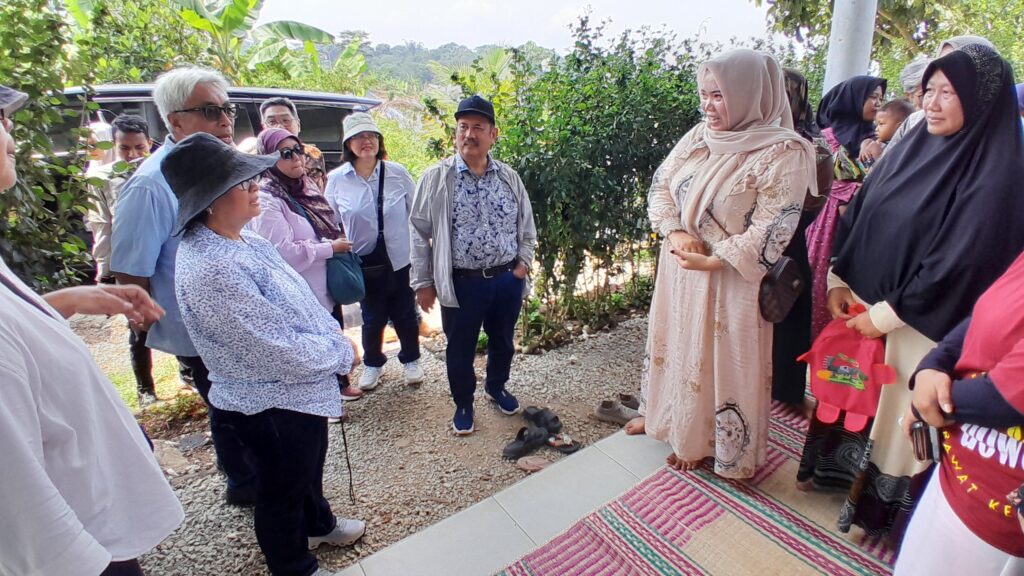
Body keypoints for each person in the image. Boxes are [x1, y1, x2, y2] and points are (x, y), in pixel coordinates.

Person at [797, 43, 1024, 543]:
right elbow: (865, 208)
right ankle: (836, 477)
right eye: (929, 90)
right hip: (862, 305)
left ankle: (880, 515)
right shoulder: (915, 141)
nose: (931, 103)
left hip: (919, 325)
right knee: (854, 390)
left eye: (949, 93)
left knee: (896, 417)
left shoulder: (996, 175)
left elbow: (960, 262)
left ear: (981, 100)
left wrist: (884, 316)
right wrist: (838, 278)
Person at [0, 84, 183, 576]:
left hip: (92, 524)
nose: (9, 127)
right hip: (74, 549)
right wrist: (85, 562)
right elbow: (13, 486)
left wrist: (62, 303)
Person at [166, 132, 365, 576]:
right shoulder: (212, 267)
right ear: (211, 200)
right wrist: (337, 353)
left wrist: (333, 341)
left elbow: (298, 301)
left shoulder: (244, 240)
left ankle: (318, 524)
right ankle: (293, 565)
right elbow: (271, 348)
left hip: (297, 389)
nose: (255, 186)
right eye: (242, 182)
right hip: (269, 400)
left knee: (306, 469)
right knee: (282, 489)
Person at [632, 49, 816, 475]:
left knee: (722, 358)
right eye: (704, 95)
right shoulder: (700, 137)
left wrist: (715, 262)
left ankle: (711, 444)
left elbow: (775, 227)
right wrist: (676, 232)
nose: (708, 106)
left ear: (751, 94)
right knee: (675, 344)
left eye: (719, 96)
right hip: (681, 265)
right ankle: (670, 421)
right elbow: (661, 186)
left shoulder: (784, 151)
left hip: (731, 279)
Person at [110, 65, 257, 505]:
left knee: (248, 404)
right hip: (199, 327)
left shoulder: (221, 166)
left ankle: (256, 476)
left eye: (227, 109)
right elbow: (130, 270)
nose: (225, 120)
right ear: (175, 121)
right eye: (211, 111)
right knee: (230, 406)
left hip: (239, 315)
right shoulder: (151, 184)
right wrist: (145, 322)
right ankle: (247, 487)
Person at [410, 95, 537, 435]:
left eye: (478, 127)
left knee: (503, 342)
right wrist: (423, 282)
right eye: (463, 127)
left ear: (493, 134)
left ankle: (496, 387)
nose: (469, 134)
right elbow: (418, 231)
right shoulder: (436, 178)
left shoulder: (509, 177)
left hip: (506, 279)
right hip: (462, 282)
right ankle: (464, 403)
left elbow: (527, 224)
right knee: (460, 348)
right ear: (455, 134)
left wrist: (522, 265)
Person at [893, 249, 1024, 575]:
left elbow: (1006, 397)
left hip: (1001, 519)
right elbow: (987, 312)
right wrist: (934, 364)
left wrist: (929, 402)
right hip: (960, 472)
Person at [249, 127, 364, 403]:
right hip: (299, 293)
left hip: (323, 286)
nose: (296, 158)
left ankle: (337, 388)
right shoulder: (267, 198)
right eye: (285, 154)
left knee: (332, 337)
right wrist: (329, 248)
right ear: (267, 158)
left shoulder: (304, 186)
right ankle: (322, 403)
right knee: (313, 349)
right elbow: (282, 253)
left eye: (298, 150)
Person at [326, 112, 423, 391]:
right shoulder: (337, 179)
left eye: (371, 136)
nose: (366, 141)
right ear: (348, 144)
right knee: (372, 316)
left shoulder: (397, 173)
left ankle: (411, 360)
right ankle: (373, 363)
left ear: (380, 141)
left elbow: (416, 214)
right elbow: (329, 220)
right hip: (363, 262)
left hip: (400, 258)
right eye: (358, 137)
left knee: (405, 311)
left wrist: (422, 252)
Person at [805, 75, 886, 339]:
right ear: (853, 99)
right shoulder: (827, 138)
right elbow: (823, 180)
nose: (877, 103)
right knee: (821, 282)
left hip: (863, 224)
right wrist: (855, 191)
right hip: (829, 221)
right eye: (871, 96)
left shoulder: (877, 138)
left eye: (880, 98)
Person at [771, 68, 834, 409]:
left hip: (788, 240)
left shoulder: (812, 146)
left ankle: (786, 392)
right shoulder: (748, 137)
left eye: (782, 94)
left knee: (786, 311)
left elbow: (811, 201)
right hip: (749, 242)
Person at [86, 114, 159, 404]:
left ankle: (186, 371)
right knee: (138, 324)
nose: (132, 155)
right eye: (125, 148)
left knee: (172, 313)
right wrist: (105, 271)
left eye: (139, 148)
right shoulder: (103, 179)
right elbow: (101, 225)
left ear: (149, 144)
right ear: (114, 147)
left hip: (160, 256)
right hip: (128, 261)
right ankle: (145, 388)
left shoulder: (159, 170)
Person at [887, 35, 996, 152]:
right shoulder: (915, 123)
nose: (931, 105)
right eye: (929, 90)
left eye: (946, 92)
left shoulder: (1000, 141)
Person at [260, 97, 327, 191]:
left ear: (298, 124)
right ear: (264, 127)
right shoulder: (255, 157)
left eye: (285, 120)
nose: (280, 127)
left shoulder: (313, 154)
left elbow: (320, 191)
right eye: (272, 122)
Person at [867, 99, 914, 165]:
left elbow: (891, 166)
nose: (876, 129)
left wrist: (877, 155)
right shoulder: (881, 143)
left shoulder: (902, 148)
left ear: (900, 127)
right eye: (876, 124)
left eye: (881, 124)